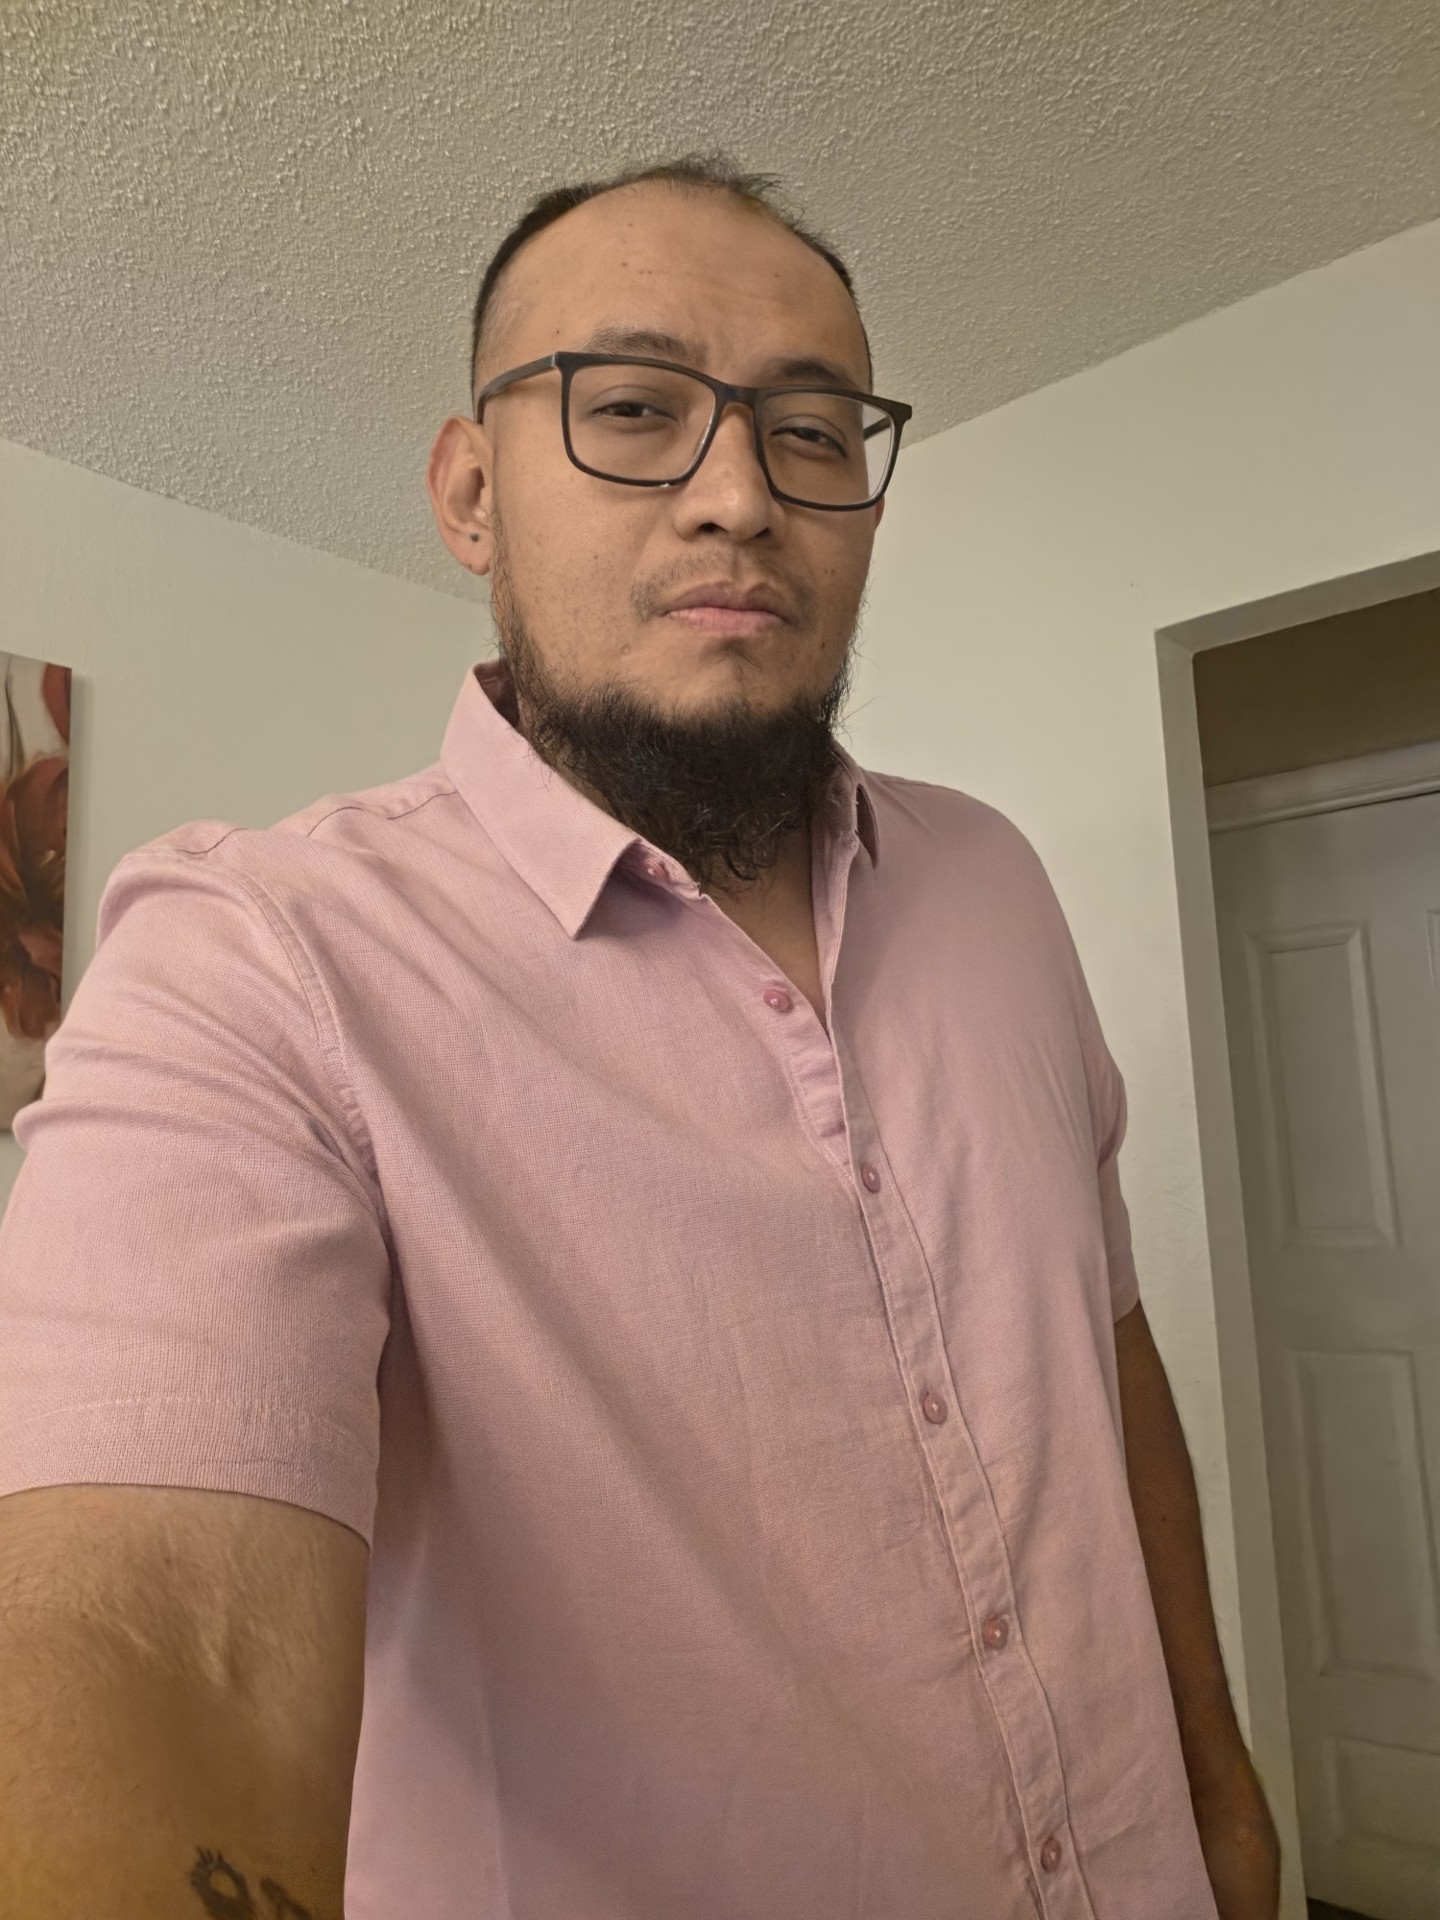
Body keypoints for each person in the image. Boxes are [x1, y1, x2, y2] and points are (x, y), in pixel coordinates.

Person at [0, 156, 1280, 1920]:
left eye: (811, 433)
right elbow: (159, 1633)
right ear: (471, 493)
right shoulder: (258, 962)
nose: (740, 496)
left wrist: (1220, 1793)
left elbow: (1103, 1342)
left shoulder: (995, 879)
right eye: (632, 409)